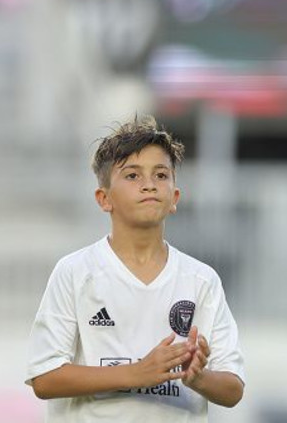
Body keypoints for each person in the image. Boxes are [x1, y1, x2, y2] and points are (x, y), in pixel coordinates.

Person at [25, 116, 245, 422]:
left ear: (174, 198)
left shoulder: (201, 280)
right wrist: (137, 373)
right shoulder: (75, 272)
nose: (149, 185)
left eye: (161, 175)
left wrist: (198, 378)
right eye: (132, 175)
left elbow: (233, 388)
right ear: (104, 199)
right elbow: (45, 378)